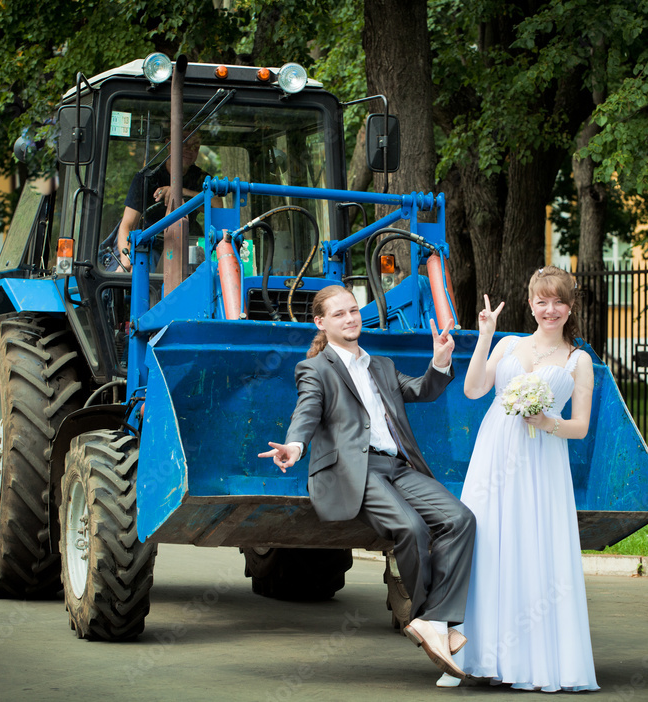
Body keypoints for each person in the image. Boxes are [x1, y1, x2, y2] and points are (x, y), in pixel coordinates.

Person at [259, 285, 476, 680]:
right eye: (339, 314)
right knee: (410, 527)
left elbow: (422, 390)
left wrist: (440, 363)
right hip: (354, 471)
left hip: (398, 466)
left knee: (460, 520)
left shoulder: (382, 366)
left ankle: (435, 619)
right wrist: (294, 445)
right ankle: (432, 620)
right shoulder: (315, 369)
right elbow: (307, 410)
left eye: (354, 310)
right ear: (321, 323)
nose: (351, 318)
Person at [440, 266, 600, 691]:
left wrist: (548, 422)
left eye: (558, 301)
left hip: (541, 461)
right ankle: (468, 656)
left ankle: (531, 662)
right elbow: (474, 390)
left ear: (570, 307)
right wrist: (486, 335)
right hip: (494, 456)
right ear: (530, 303)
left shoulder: (578, 359)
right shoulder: (508, 343)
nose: (550, 310)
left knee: (532, 547)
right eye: (541, 301)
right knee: (487, 545)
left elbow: (580, 426)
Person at [114, 130, 219, 272]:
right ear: (168, 144)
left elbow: (217, 206)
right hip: (150, 246)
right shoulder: (147, 178)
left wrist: (179, 191)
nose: (190, 150)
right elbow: (127, 224)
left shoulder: (203, 180)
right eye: (184, 142)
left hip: (187, 247)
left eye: (195, 145)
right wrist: (127, 260)